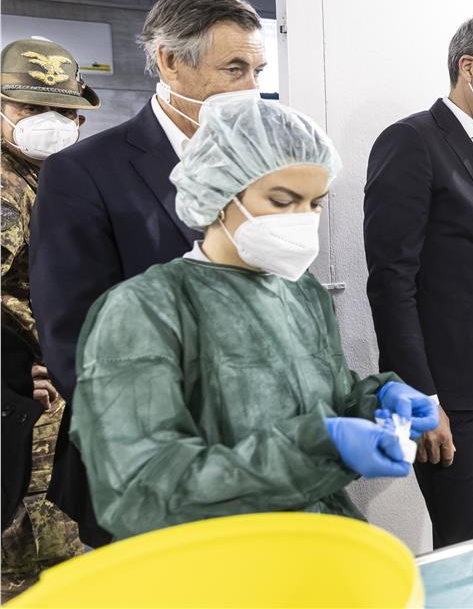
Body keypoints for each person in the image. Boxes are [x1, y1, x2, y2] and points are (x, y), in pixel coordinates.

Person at [69, 97, 437, 540]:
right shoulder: (145, 309)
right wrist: (323, 445)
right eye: (282, 201)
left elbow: (325, 402)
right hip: (213, 557)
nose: (303, 220)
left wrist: (377, 403)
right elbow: (142, 489)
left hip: (312, 543)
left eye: (315, 203)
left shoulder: (301, 291)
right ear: (219, 192)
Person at [30, 0, 266, 546]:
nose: (252, 89)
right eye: (234, 69)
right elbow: (74, 338)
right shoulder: (85, 172)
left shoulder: (259, 164)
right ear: (170, 62)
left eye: (258, 71)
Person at [364, 12, 473, 548]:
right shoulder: (411, 141)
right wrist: (420, 397)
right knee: (462, 545)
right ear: (469, 67)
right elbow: (391, 282)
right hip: (448, 390)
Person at [1, 38, 95, 596]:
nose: (49, 122)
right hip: (22, 402)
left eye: (61, 111)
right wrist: (8, 372)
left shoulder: (51, 176)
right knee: (24, 562)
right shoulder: (6, 185)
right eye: (30, 108)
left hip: (50, 397)